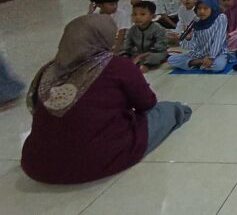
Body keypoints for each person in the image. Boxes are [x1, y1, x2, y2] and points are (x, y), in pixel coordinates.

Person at [22, 15, 192, 184]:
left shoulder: (48, 70)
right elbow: (147, 104)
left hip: (37, 164)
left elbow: (35, 108)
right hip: (97, 161)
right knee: (169, 109)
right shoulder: (116, 65)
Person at [168, 0, 229, 72]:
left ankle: (195, 64)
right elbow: (191, 47)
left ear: (212, 8)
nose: (202, 11)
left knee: (218, 66)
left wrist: (211, 57)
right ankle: (201, 62)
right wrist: (188, 38)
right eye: (199, 8)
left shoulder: (221, 18)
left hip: (218, 53)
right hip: (200, 54)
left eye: (205, 8)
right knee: (171, 59)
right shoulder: (196, 21)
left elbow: (218, 39)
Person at [121, 1, 168, 73]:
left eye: (142, 14)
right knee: (120, 58)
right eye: (134, 14)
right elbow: (127, 46)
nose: (137, 17)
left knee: (155, 57)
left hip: (154, 53)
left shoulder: (158, 29)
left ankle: (146, 65)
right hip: (139, 53)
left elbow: (159, 47)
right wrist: (125, 56)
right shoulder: (132, 30)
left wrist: (140, 56)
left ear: (153, 16)